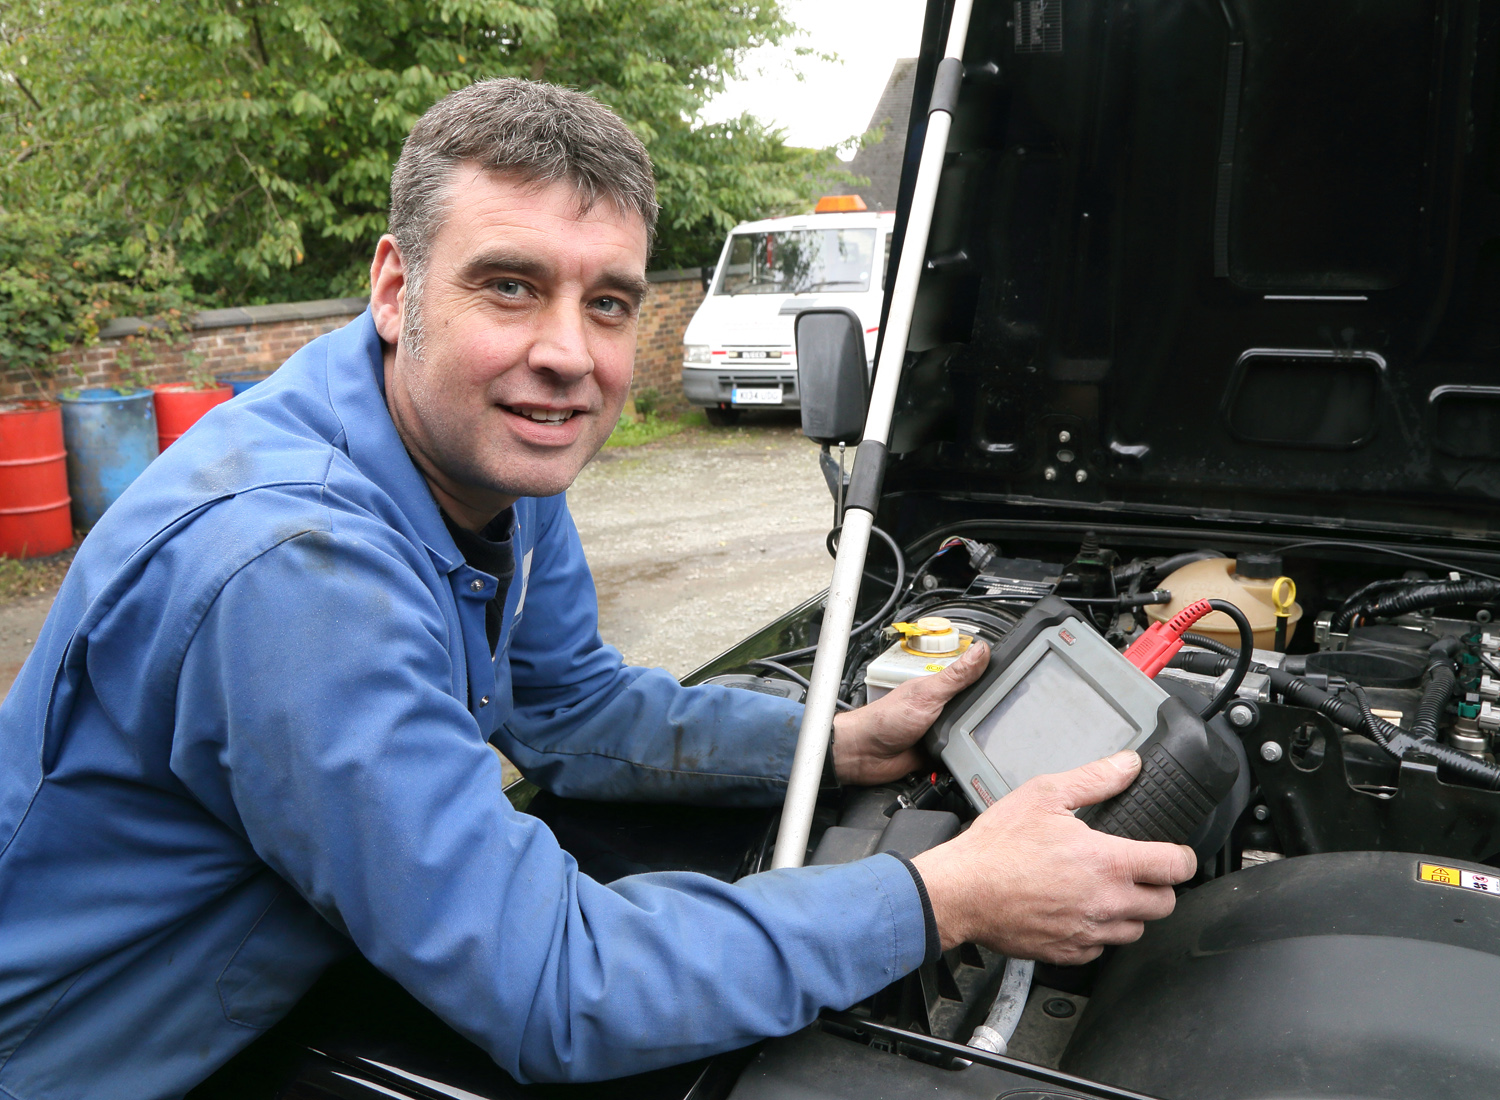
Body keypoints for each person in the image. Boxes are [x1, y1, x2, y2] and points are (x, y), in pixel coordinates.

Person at [0, 79, 1194, 1099]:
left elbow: (572, 711)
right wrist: (944, 892)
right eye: (510, 286)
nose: (569, 352)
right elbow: (553, 986)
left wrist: (833, 743)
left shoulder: (488, 456)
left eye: (608, 300)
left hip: (268, 990)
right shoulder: (294, 572)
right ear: (394, 288)